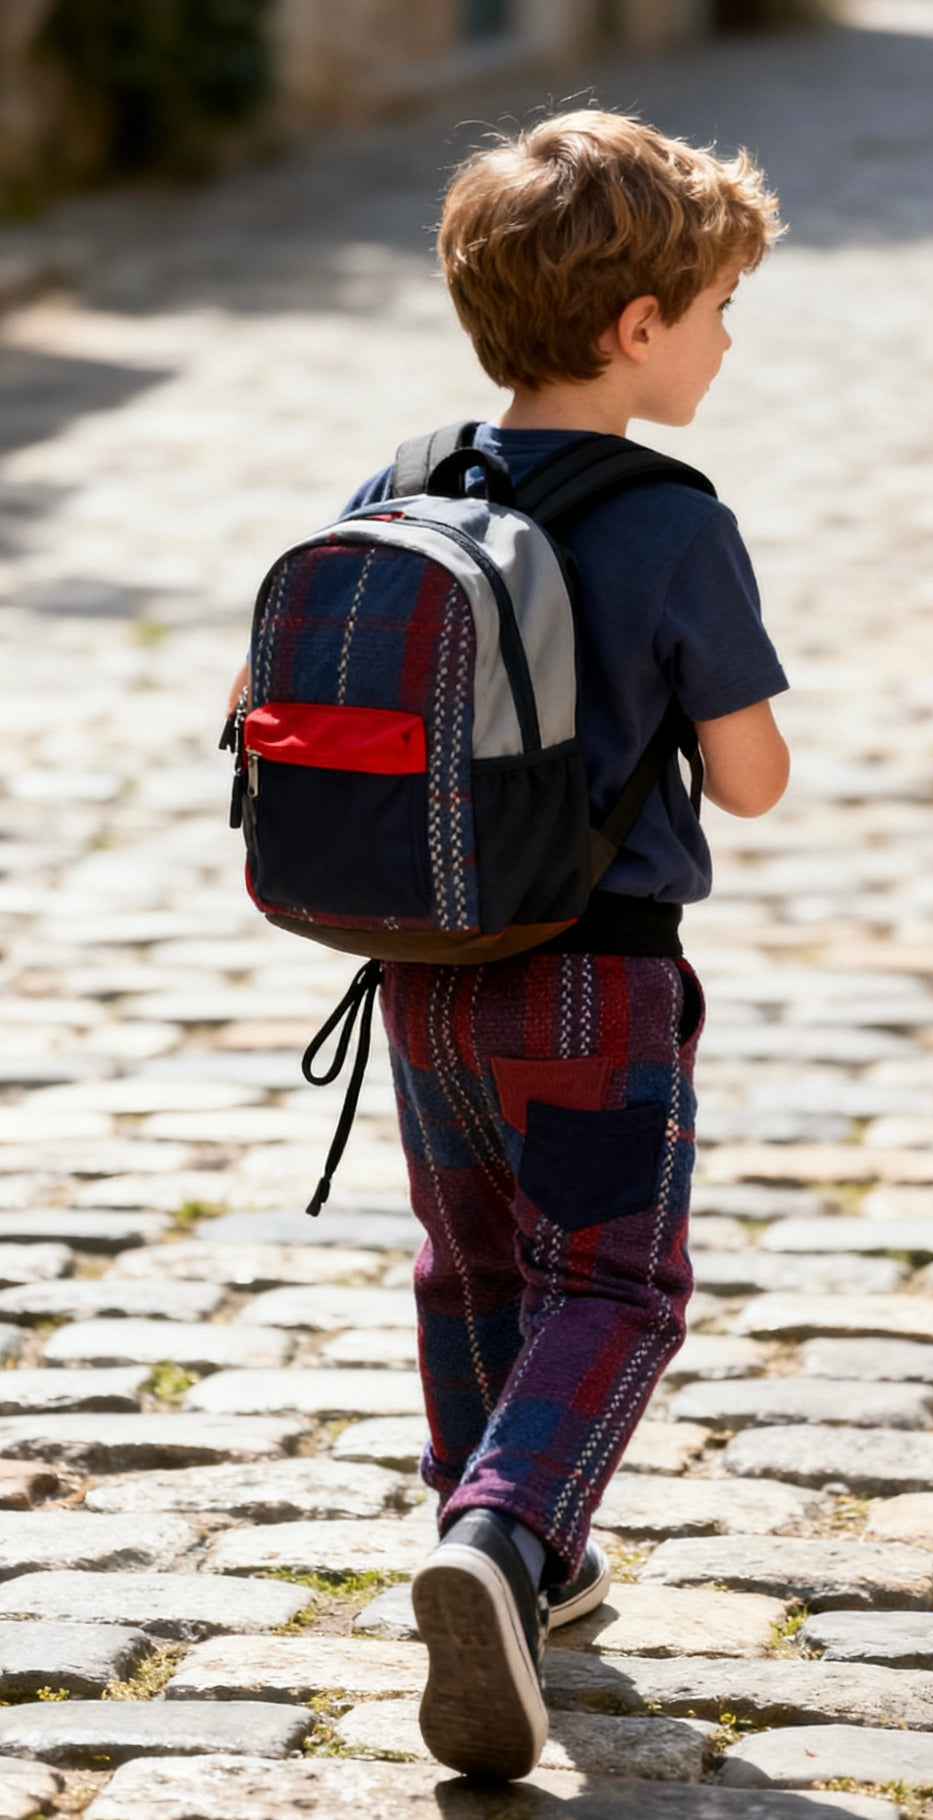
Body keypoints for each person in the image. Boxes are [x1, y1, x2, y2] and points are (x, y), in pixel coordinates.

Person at [227, 108, 789, 1783]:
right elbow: (750, 781)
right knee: (614, 1282)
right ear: (637, 331)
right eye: (713, 311)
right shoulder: (673, 518)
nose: (723, 339)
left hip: (417, 965)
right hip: (594, 973)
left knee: (468, 1262)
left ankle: (508, 1552)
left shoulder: (400, 484)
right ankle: (503, 1533)